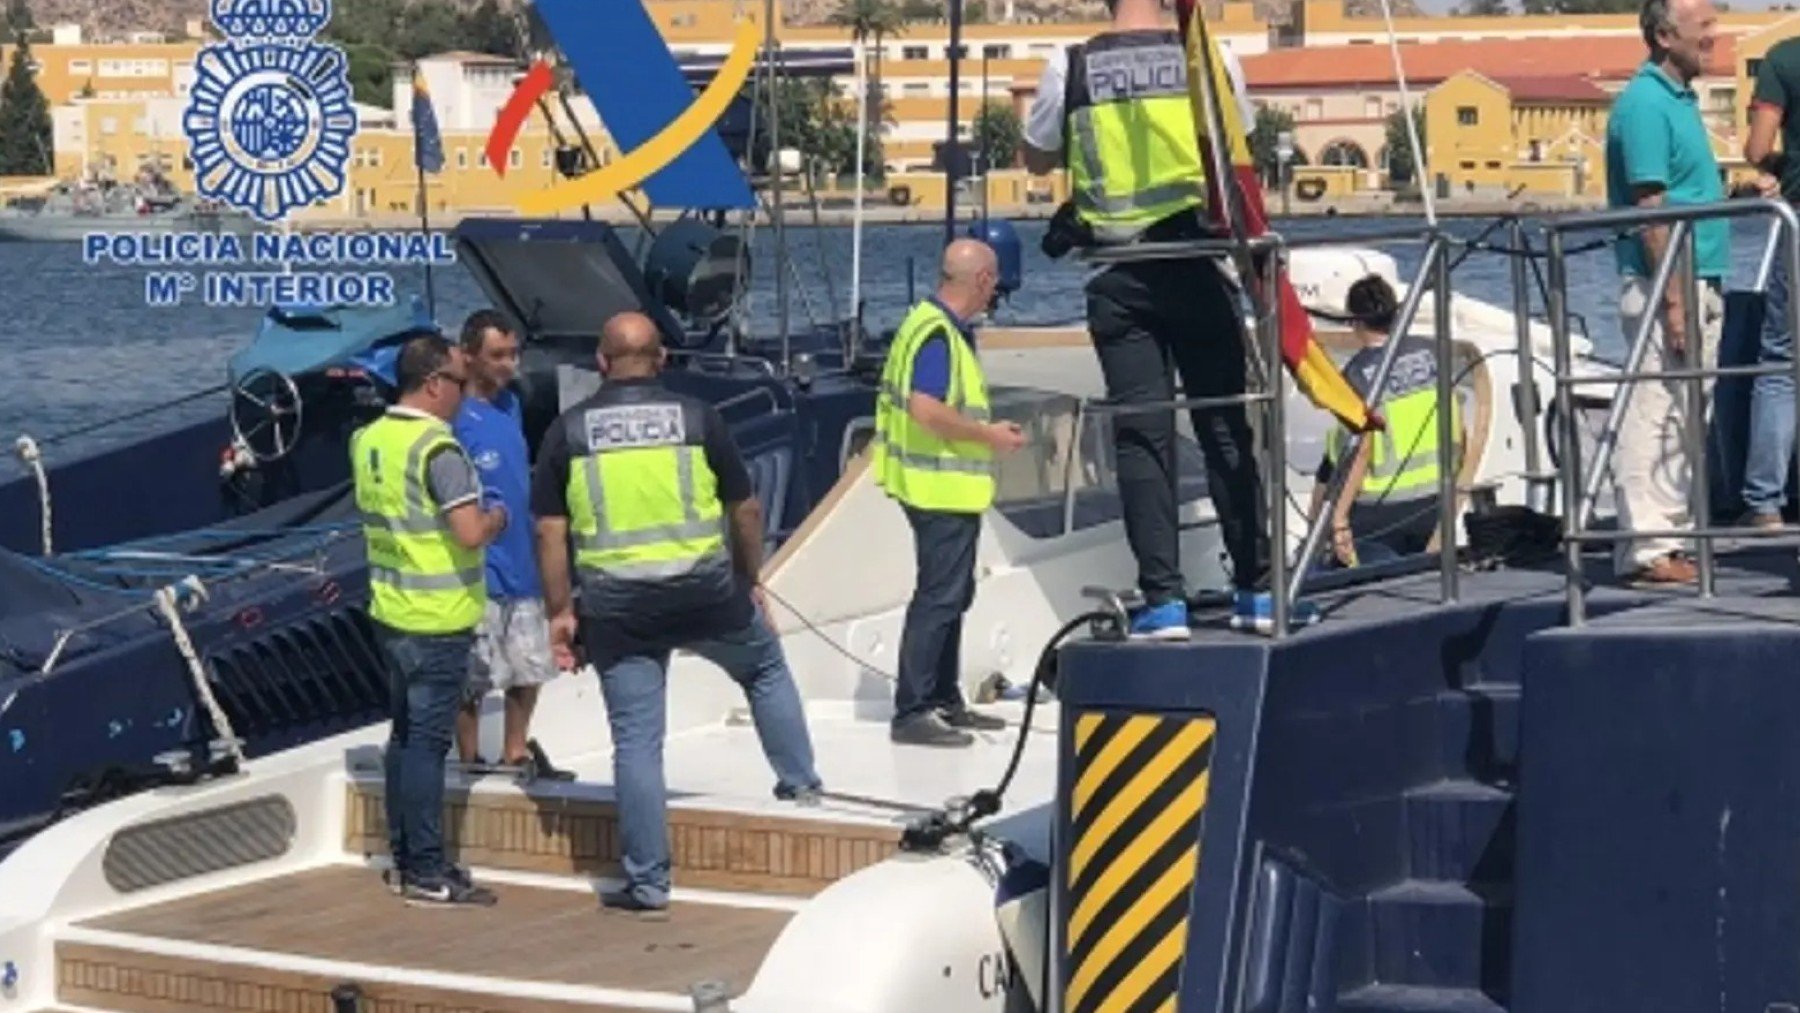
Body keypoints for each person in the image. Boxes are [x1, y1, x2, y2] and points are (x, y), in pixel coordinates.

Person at [1020, 0, 1307, 637]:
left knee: (1142, 437)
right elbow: (1240, 145)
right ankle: (1256, 592)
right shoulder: (1209, 57)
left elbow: (1037, 157)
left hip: (1120, 274)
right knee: (1225, 423)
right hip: (1200, 262)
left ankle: (1164, 603)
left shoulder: (1068, 65)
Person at [532, 311, 822, 916]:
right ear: (661, 361)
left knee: (638, 743)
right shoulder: (698, 419)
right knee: (764, 669)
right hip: (706, 595)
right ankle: (801, 789)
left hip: (617, 608)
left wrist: (560, 611)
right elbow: (745, 508)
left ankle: (648, 883)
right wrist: (751, 578)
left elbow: (549, 532)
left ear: (602, 364)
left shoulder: (569, 431)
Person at [354, 336, 509, 907]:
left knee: (403, 738)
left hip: (390, 610)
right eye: (462, 384)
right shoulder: (438, 450)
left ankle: (404, 858)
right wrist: (497, 518)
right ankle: (425, 869)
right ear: (435, 384)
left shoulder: (369, 440)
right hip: (437, 618)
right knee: (427, 744)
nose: (466, 396)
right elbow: (468, 533)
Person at [874, 238, 1026, 748]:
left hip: (937, 486)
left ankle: (942, 700)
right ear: (981, 279)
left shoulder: (929, 325)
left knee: (953, 593)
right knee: (939, 597)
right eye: (994, 282)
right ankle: (914, 710)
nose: (995, 292)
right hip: (937, 487)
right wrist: (990, 437)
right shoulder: (938, 334)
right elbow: (926, 409)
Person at [1603, 0, 1727, 586]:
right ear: (1663, 36)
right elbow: (1650, 205)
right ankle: (1648, 549)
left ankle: (1670, 539)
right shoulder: (1647, 103)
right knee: (1654, 410)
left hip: (1696, 273)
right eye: (1703, 28)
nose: (1715, 36)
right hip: (1664, 283)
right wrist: (1672, 302)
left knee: (1684, 413)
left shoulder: (1678, 99)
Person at [451, 309, 558, 774]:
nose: (509, 365)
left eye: (513, 354)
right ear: (468, 355)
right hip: (481, 567)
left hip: (523, 563)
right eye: (497, 355)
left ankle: (515, 751)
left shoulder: (510, 405)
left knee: (530, 668)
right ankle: (471, 757)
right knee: (473, 677)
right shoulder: (456, 417)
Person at [1308, 275, 1461, 568]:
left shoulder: (1357, 376)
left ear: (1355, 322)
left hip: (1382, 507)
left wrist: (1338, 522)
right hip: (1436, 499)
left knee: (1327, 569)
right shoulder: (1433, 354)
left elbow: (1361, 450)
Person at [1741, 38, 1799, 529]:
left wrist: (1776, 165)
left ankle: (1765, 503)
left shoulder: (1784, 59)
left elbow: (1759, 148)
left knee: (1780, 361)